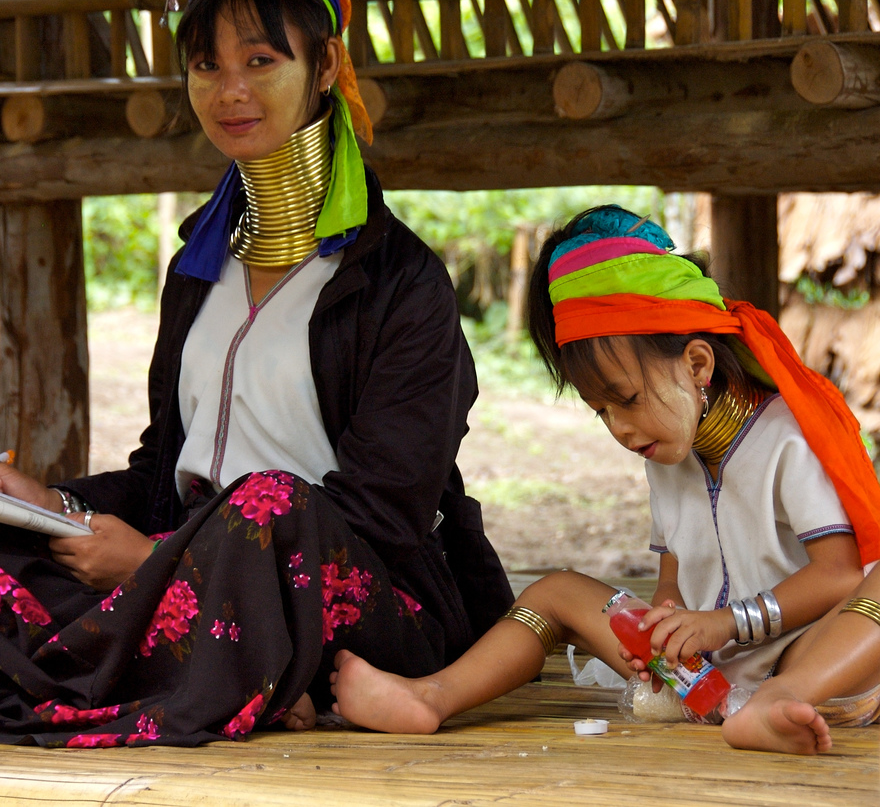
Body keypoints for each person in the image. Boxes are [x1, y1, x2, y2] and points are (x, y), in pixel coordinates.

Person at [0, 0, 512, 748]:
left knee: (268, 504)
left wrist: (153, 562)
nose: (228, 89)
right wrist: (50, 503)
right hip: (188, 579)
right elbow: (162, 472)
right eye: (207, 64)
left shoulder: (399, 281)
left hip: (360, 600)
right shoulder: (200, 268)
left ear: (328, 68)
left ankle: (195, 674)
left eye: (260, 61)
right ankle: (218, 681)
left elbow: (384, 515)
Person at [329, 205, 880, 738]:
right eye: (602, 411)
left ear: (697, 363)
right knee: (554, 592)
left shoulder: (786, 435)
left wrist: (725, 624)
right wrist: (666, 624)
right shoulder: (665, 446)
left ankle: (778, 705)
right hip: (704, 674)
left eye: (627, 399)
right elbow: (674, 572)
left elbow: (839, 575)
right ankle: (430, 698)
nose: (620, 428)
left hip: (809, 662)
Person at [721, 566, 880, 754]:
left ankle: (772, 702)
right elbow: (838, 575)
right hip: (817, 668)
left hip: (805, 677)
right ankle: (778, 694)